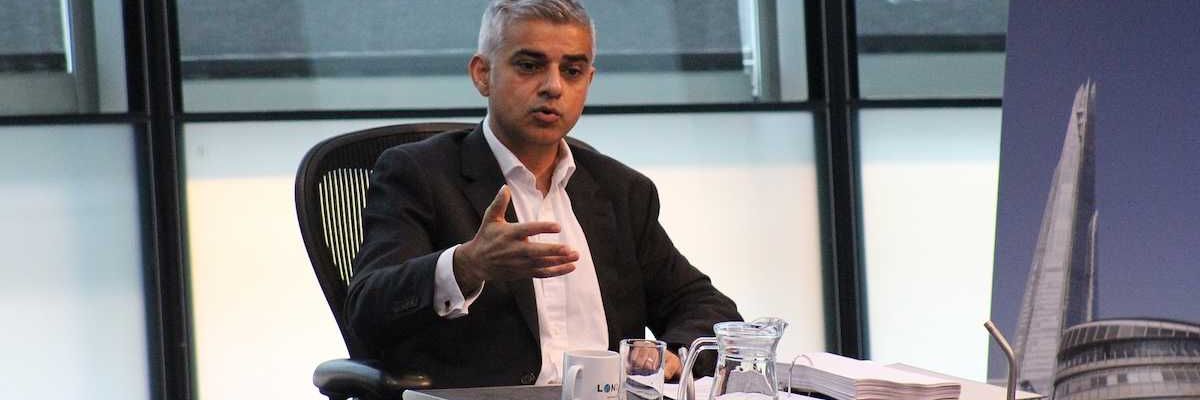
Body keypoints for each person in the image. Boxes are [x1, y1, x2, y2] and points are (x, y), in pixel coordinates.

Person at [346, 0, 741, 389]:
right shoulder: (419, 175)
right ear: (482, 74)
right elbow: (367, 308)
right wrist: (465, 266)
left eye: (572, 70)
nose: (553, 86)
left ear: (588, 81)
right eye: (529, 66)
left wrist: (672, 353)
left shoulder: (621, 190)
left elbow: (706, 307)